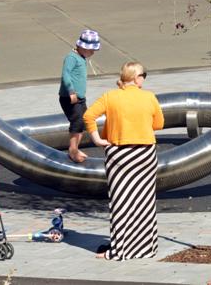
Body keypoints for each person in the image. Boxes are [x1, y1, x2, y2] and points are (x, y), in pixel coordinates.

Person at [83, 62, 164, 260]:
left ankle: (121, 248)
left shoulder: (110, 97)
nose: (144, 78)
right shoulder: (149, 97)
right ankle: (145, 247)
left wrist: (97, 139)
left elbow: (88, 116)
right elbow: (159, 124)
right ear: (137, 78)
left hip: (119, 155)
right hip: (145, 154)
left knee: (121, 202)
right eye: (144, 74)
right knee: (144, 201)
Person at [59, 30, 100, 163]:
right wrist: (71, 91)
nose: (93, 53)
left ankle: (75, 148)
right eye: (91, 50)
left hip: (80, 98)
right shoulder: (71, 58)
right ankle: (72, 150)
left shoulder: (81, 58)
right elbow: (66, 75)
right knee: (76, 122)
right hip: (70, 97)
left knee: (83, 121)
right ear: (82, 47)